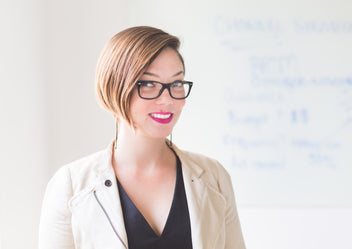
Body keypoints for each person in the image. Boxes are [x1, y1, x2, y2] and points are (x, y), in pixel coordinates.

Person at [39, 26, 246, 249]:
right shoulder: (71, 185)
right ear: (115, 87)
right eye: (148, 84)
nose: (167, 100)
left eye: (176, 83)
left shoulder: (214, 177)